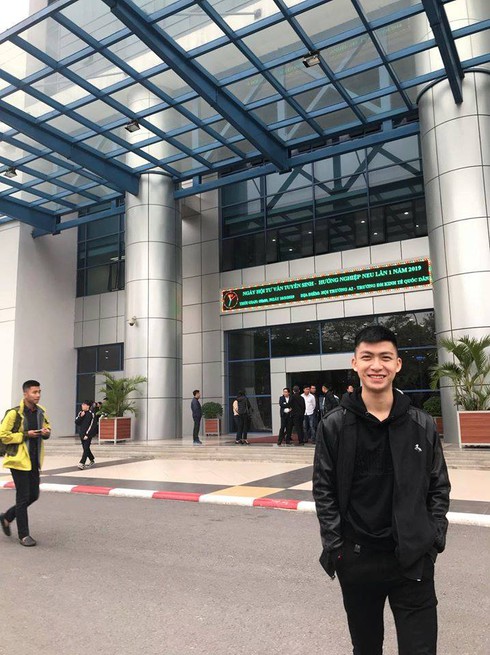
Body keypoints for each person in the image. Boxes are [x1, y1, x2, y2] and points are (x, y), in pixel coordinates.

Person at [313, 325, 450, 655]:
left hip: (413, 560)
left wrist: (433, 540)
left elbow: (438, 486)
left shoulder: (421, 424)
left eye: (385, 357)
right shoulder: (334, 425)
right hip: (357, 560)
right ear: (355, 363)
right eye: (368, 357)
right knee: (366, 648)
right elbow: (323, 489)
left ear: (397, 364)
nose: (377, 365)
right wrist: (337, 547)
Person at [0, 380, 51, 547]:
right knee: (23, 497)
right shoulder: (14, 413)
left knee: (33, 495)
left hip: (34, 460)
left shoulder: (41, 411)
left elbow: (47, 427)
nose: (38, 395)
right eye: (34, 392)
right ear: (25, 393)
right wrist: (25, 434)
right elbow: (3, 435)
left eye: (39, 392)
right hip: (18, 460)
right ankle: (24, 535)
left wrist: (46, 433)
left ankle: (7, 517)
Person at [75, 400, 97, 469]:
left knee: (86, 448)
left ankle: (82, 463)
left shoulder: (92, 414)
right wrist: (81, 416)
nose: (82, 406)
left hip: (89, 434)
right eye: (82, 404)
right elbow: (76, 422)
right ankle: (92, 459)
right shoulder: (81, 413)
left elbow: (92, 425)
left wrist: (87, 434)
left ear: (88, 406)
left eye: (84, 405)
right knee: (86, 448)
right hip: (82, 434)